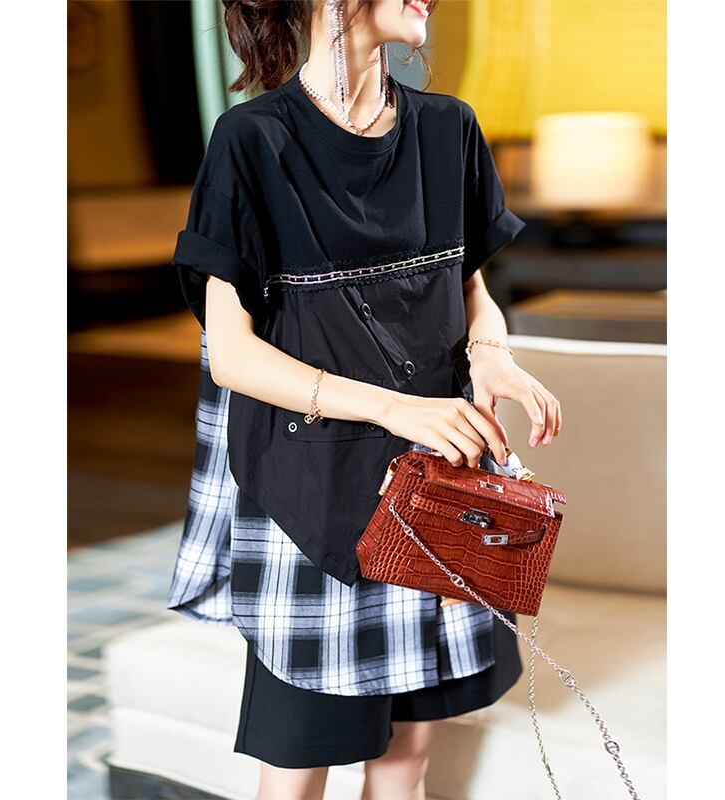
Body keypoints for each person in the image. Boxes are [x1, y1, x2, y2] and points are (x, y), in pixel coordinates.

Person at [166, 1, 562, 798]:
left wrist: (492, 356)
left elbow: (470, 290)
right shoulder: (253, 141)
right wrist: (393, 407)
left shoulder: (449, 129)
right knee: (297, 770)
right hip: (312, 497)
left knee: (406, 760)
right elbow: (232, 355)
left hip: (439, 490)